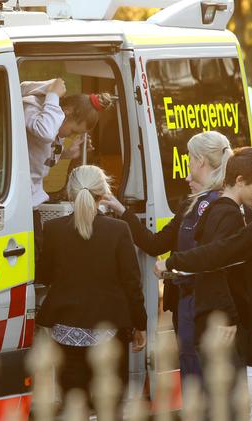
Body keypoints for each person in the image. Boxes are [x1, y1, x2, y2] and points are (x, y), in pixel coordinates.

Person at [102, 131, 233, 386]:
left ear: (200, 161)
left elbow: (212, 259)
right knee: (190, 371)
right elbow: (156, 243)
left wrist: (173, 268)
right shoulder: (190, 204)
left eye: (189, 159)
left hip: (206, 305)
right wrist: (122, 210)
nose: (187, 169)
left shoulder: (223, 204)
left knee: (203, 376)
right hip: (183, 302)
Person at [155, 149, 252, 421]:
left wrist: (172, 261)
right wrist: (173, 261)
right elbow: (219, 254)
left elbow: (220, 254)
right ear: (240, 180)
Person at [36, 165, 147, 416]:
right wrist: (140, 324)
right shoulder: (119, 230)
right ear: (103, 193)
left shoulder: (53, 230)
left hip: (64, 331)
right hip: (108, 331)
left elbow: (44, 276)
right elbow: (132, 283)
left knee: (74, 406)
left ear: (69, 193)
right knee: (109, 406)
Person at [21, 78, 115, 272]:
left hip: (31, 201)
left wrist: (67, 154)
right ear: (66, 112)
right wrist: (53, 94)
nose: (68, 135)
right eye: (72, 130)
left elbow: (39, 157)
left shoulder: (51, 120)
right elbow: (45, 132)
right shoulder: (34, 109)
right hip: (22, 204)